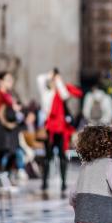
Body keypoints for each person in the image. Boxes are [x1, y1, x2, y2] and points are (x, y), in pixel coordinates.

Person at [37, 69, 82, 198]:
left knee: (62, 156)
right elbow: (40, 79)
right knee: (48, 157)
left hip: (61, 129)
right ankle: (44, 182)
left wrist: (58, 80)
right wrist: (50, 74)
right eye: (52, 80)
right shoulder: (46, 93)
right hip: (49, 129)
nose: (53, 82)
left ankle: (63, 182)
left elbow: (66, 95)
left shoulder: (60, 92)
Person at [0, 71, 27, 183]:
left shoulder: (8, 94)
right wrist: (9, 124)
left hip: (10, 132)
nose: (11, 82)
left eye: (11, 80)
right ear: (0, 82)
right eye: (8, 80)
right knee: (4, 154)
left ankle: (7, 178)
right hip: (3, 131)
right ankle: (2, 179)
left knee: (11, 153)